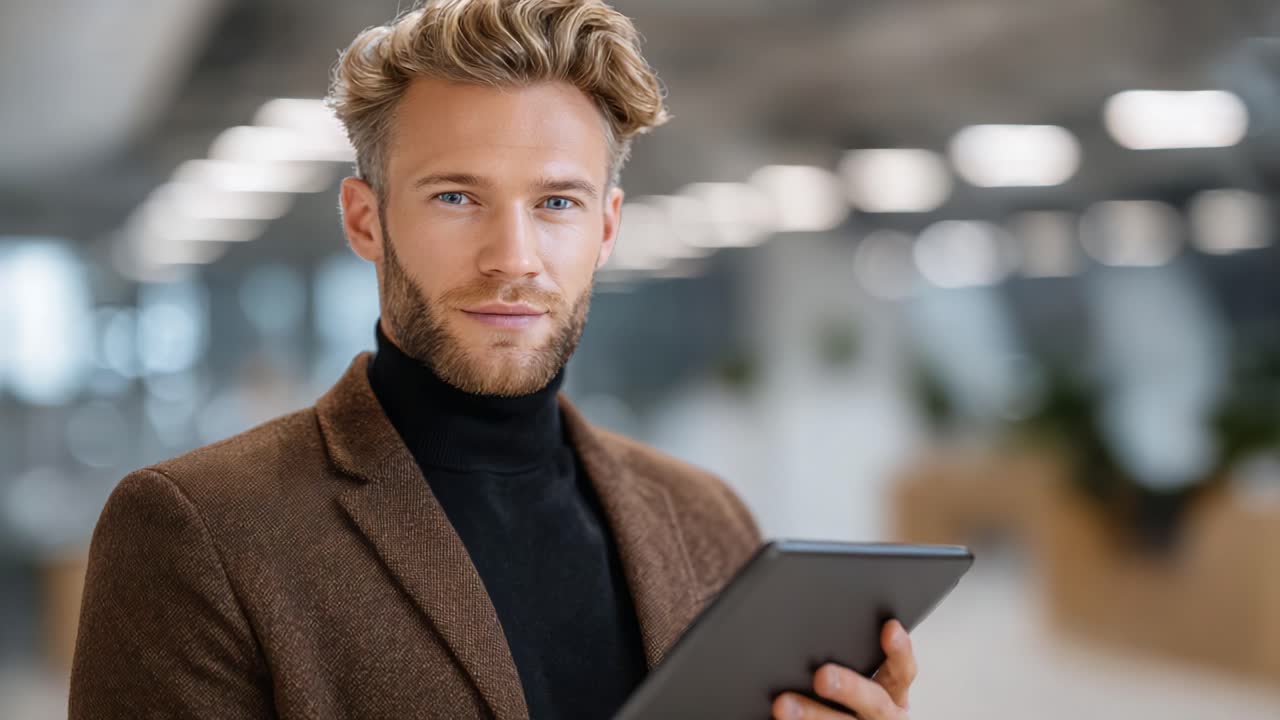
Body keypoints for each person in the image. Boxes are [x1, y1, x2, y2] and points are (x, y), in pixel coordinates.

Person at [68, 1, 919, 718]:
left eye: (556, 202)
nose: (514, 256)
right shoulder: (198, 531)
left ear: (606, 228)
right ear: (365, 219)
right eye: (456, 197)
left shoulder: (706, 520)